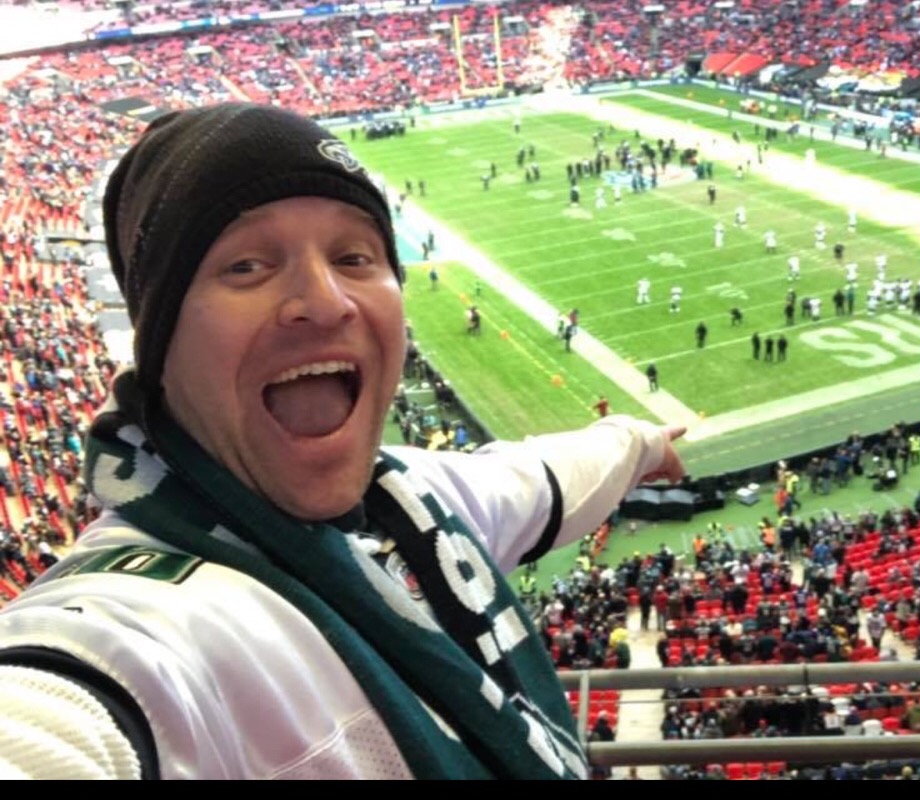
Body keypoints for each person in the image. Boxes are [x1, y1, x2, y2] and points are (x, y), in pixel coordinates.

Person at [0, 104, 687, 779]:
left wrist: (639, 442)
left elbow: (541, 477)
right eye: (246, 265)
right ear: (159, 345)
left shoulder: (412, 502)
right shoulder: (136, 625)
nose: (327, 302)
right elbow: (55, 717)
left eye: (355, 256)